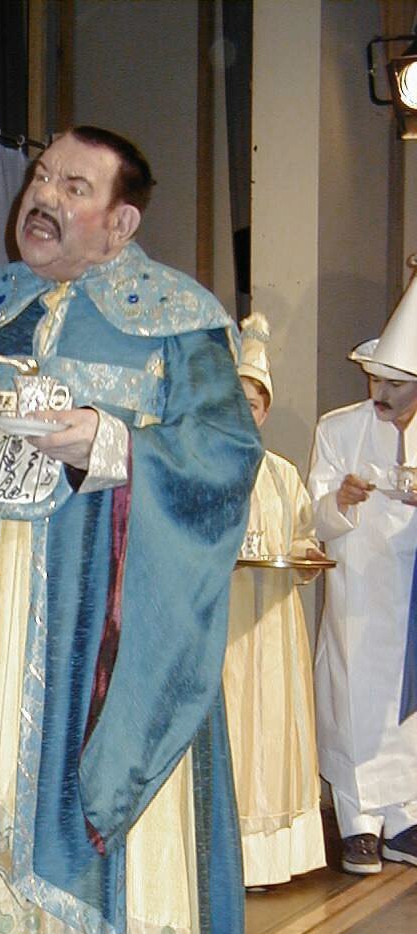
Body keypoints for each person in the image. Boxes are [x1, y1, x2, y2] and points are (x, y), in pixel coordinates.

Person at [0, 126, 323, 934]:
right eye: (40, 176)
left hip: (107, 642)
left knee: (111, 826)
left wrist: (107, 441)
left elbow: (224, 462)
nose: (43, 196)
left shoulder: (178, 323)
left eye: (74, 185)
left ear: (122, 219)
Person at [308, 274, 417, 875]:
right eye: (376, 380)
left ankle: (403, 818)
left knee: (405, 706)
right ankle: (358, 824)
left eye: (395, 385)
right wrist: (341, 500)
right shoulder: (338, 429)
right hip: (359, 592)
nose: (381, 392)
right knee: (354, 700)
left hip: (411, 593)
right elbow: (312, 515)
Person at [222, 314, 328, 889]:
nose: (245, 412)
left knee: (269, 729)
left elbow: (302, 538)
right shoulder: (207, 470)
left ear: (264, 411)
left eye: (254, 404)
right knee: (231, 726)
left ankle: (267, 859)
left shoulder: (283, 476)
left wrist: (306, 557)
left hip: (273, 626)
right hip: (223, 625)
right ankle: (223, 851)